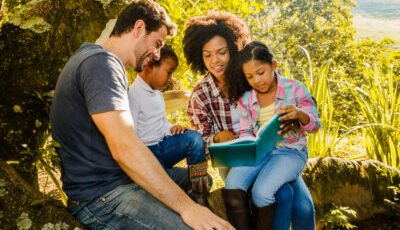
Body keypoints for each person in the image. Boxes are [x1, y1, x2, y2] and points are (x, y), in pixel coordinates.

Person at [50, 1, 233, 229]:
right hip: (102, 196)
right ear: (138, 28)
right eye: (157, 43)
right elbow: (125, 146)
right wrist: (188, 208)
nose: (156, 53)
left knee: (200, 180)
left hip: (120, 179)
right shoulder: (101, 64)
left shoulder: (96, 59)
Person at [183, 12, 316, 230]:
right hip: (237, 160)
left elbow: (293, 98)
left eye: (222, 52)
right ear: (199, 57)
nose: (215, 61)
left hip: (275, 152)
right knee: (282, 194)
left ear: (234, 49)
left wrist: (296, 117)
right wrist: (217, 137)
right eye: (207, 55)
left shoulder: (251, 77)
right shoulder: (201, 95)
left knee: (304, 208)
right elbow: (199, 140)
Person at [224, 41, 321, 229]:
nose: (257, 80)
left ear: (273, 66)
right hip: (260, 152)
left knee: (262, 193)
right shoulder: (247, 98)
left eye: (261, 73)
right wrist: (244, 145)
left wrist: (300, 114)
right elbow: (245, 132)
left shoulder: (295, 88)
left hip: (290, 153)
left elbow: (315, 125)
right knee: (233, 183)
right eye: (250, 77)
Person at [128, 44, 211, 207]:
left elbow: (160, 123)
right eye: (169, 72)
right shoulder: (133, 94)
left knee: (194, 139)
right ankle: (161, 185)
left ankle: (199, 195)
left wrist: (171, 128)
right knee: (177, 183)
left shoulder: (157, 94)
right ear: (150, 65)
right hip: (148, 156)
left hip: (164, 148)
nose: (171, 78)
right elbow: (130, 136)